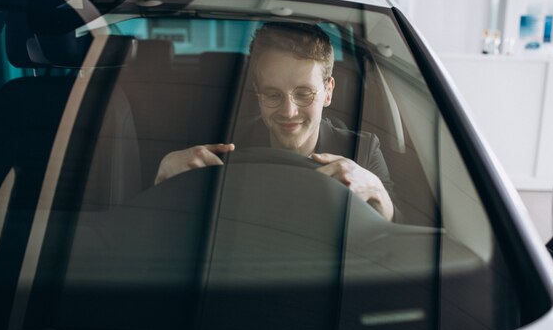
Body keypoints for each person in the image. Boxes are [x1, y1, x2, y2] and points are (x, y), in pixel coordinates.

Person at [154, 22, 395, 221]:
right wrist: (164, 177)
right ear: (258, 94)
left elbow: (398, 239)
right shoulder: (220, 148)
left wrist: (375, 191)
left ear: (328, 91)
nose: (289, 112)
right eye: (272, 94)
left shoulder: (363, 151)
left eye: (303, 93)